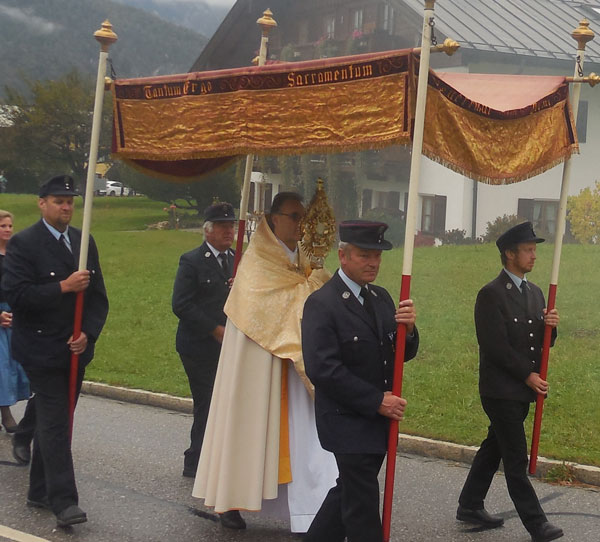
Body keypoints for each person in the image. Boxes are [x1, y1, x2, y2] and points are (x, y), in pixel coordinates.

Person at [193, 192, 338, 532]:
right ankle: (232, 498)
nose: (300, 223)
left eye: (303, 216)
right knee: (249, 427)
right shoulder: (256, 262)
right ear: (273, 219)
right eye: (293, 216)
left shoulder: (305, 259)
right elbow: (263, 306)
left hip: (298, 367)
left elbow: (315, 288)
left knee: (304, 437)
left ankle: (310, 504)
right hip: (259, 360)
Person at [301, 220, 419, 542]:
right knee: (363, 504)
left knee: (350, 490)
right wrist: (377, 400)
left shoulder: (380, 298)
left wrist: (409, 329)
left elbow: (398, 353)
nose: (373, 263)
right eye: (365, 255)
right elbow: (323, 369)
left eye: (377, 256)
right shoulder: (322, 304)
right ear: (343, 256)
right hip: (345, 419)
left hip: (376, 419)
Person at [1, 175, 109, 528]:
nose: (66, 207)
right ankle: (64, 501)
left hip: (74, 351)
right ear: (42, 203)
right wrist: (62, 286)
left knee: (56, 421)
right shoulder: (23, 244)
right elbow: (18, 296)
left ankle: (38, 490)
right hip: (40, 349)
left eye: (70, 202)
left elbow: (97, 298)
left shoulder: (82, 241)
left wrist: (88, 335)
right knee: (56, 424)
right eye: (58, 200)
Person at [456, 221, 563, 542]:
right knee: (515, 456)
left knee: (494, 446)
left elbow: (542, 342)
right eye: (528, 250)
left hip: (521, 390)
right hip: (500, 390)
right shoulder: (490, 294)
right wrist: (528, 374)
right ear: (509, 254)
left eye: (534, 250)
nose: (534, 256)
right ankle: (537, 523)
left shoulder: (535, 292)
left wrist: (552, 327)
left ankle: (469, 504)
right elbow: (495, 346)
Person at [172, 202, 235, 478]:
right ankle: (195, 461)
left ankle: (210, 457)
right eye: (222, 227)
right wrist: (214, 329)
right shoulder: (192, 261)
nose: (228, 232)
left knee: (224, 402)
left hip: (230, 346)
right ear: (207, 231)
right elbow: (181, 304)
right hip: (198, 345)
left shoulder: (237, 260)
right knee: (207, 400)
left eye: (231, 226)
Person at [0, 210, 30, 433]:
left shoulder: (16, 254)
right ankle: (5, 414)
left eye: (10, 226)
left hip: (15, 315)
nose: (8, 230)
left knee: (13, 366)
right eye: (3, 226)